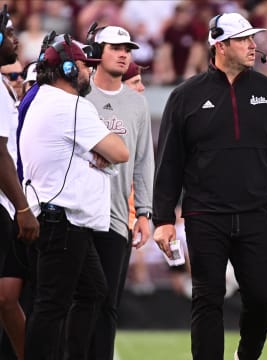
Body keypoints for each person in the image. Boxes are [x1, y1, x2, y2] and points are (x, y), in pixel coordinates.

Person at [152, 12, 267, 360]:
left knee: (262, 300)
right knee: (207, 299)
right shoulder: (185, 97)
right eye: (243, 39)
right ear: (220, 45)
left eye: (252, 38)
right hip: (204, 215)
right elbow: (169, 162)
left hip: (257, 214)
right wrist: (163, 219)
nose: (252, 45)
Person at [19, 36, 129, 360]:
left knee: (92, 289)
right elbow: (120, 152)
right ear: (67, 68)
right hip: (63, 219)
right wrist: (94, 154)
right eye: (84, 66)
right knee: (52, 305)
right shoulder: (72, 105)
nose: (89, 74)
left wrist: (90, 154)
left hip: (58, 217)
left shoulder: (40, 99)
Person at [84, 25, 154, 360]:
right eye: (116, 47)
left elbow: (143, 162)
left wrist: (143, 212)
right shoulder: (79, 94)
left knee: (108, 304)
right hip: (77, 215)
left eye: (128, 48)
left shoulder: (137, 104)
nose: (124, 53)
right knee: (75, 301)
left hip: (115, 218)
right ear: (98, 51)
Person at [0, 6, 39, 360]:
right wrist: (23, 208)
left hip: (8, 204)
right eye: (10, 34)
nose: (15, 40)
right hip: (5, 205)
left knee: (8, 297)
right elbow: (0, 154)